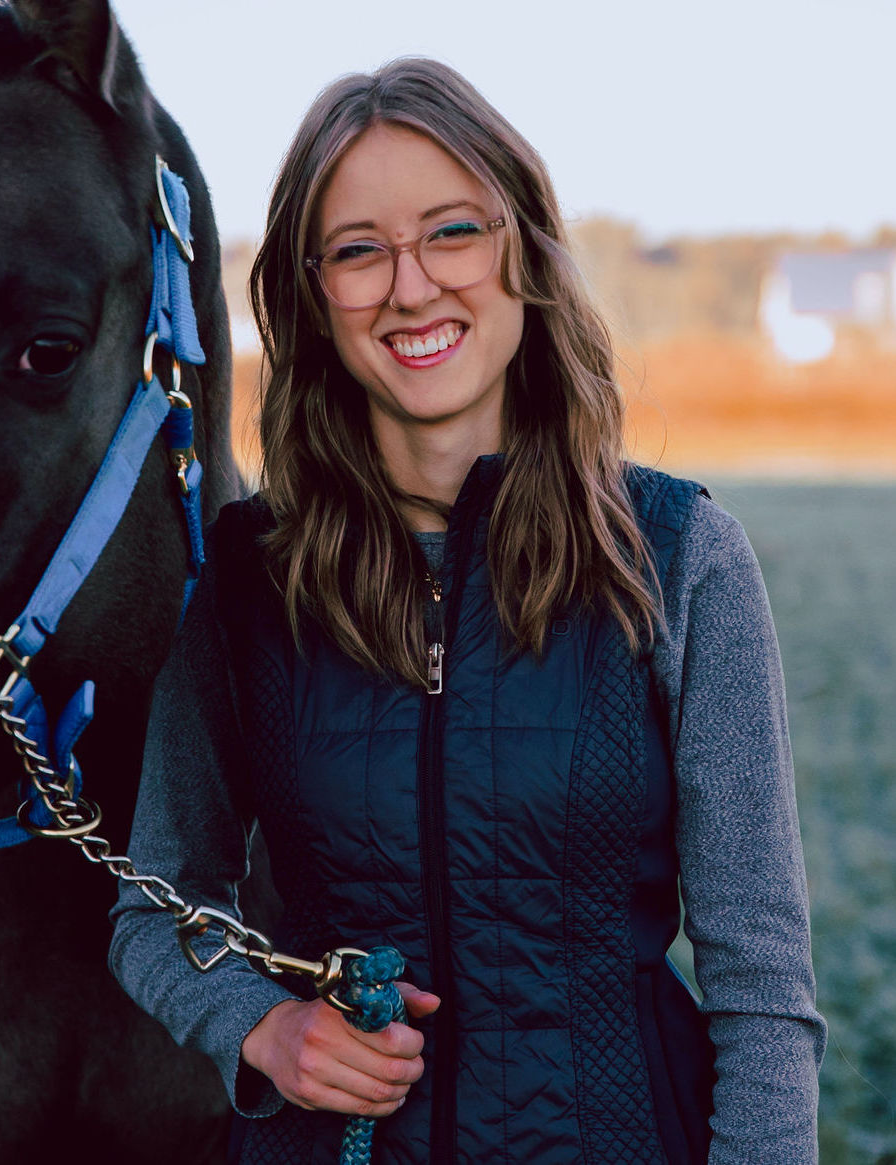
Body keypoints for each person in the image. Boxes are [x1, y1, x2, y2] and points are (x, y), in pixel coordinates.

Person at [109, 58, 824, 1164]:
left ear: (522, 251)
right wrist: (259, 1025)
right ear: (311, 295)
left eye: (452, 231)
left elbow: (761, 982)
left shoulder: (677, 557)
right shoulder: (245, 585)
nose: (410, 286)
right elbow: (158, 907)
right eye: (357, 250)